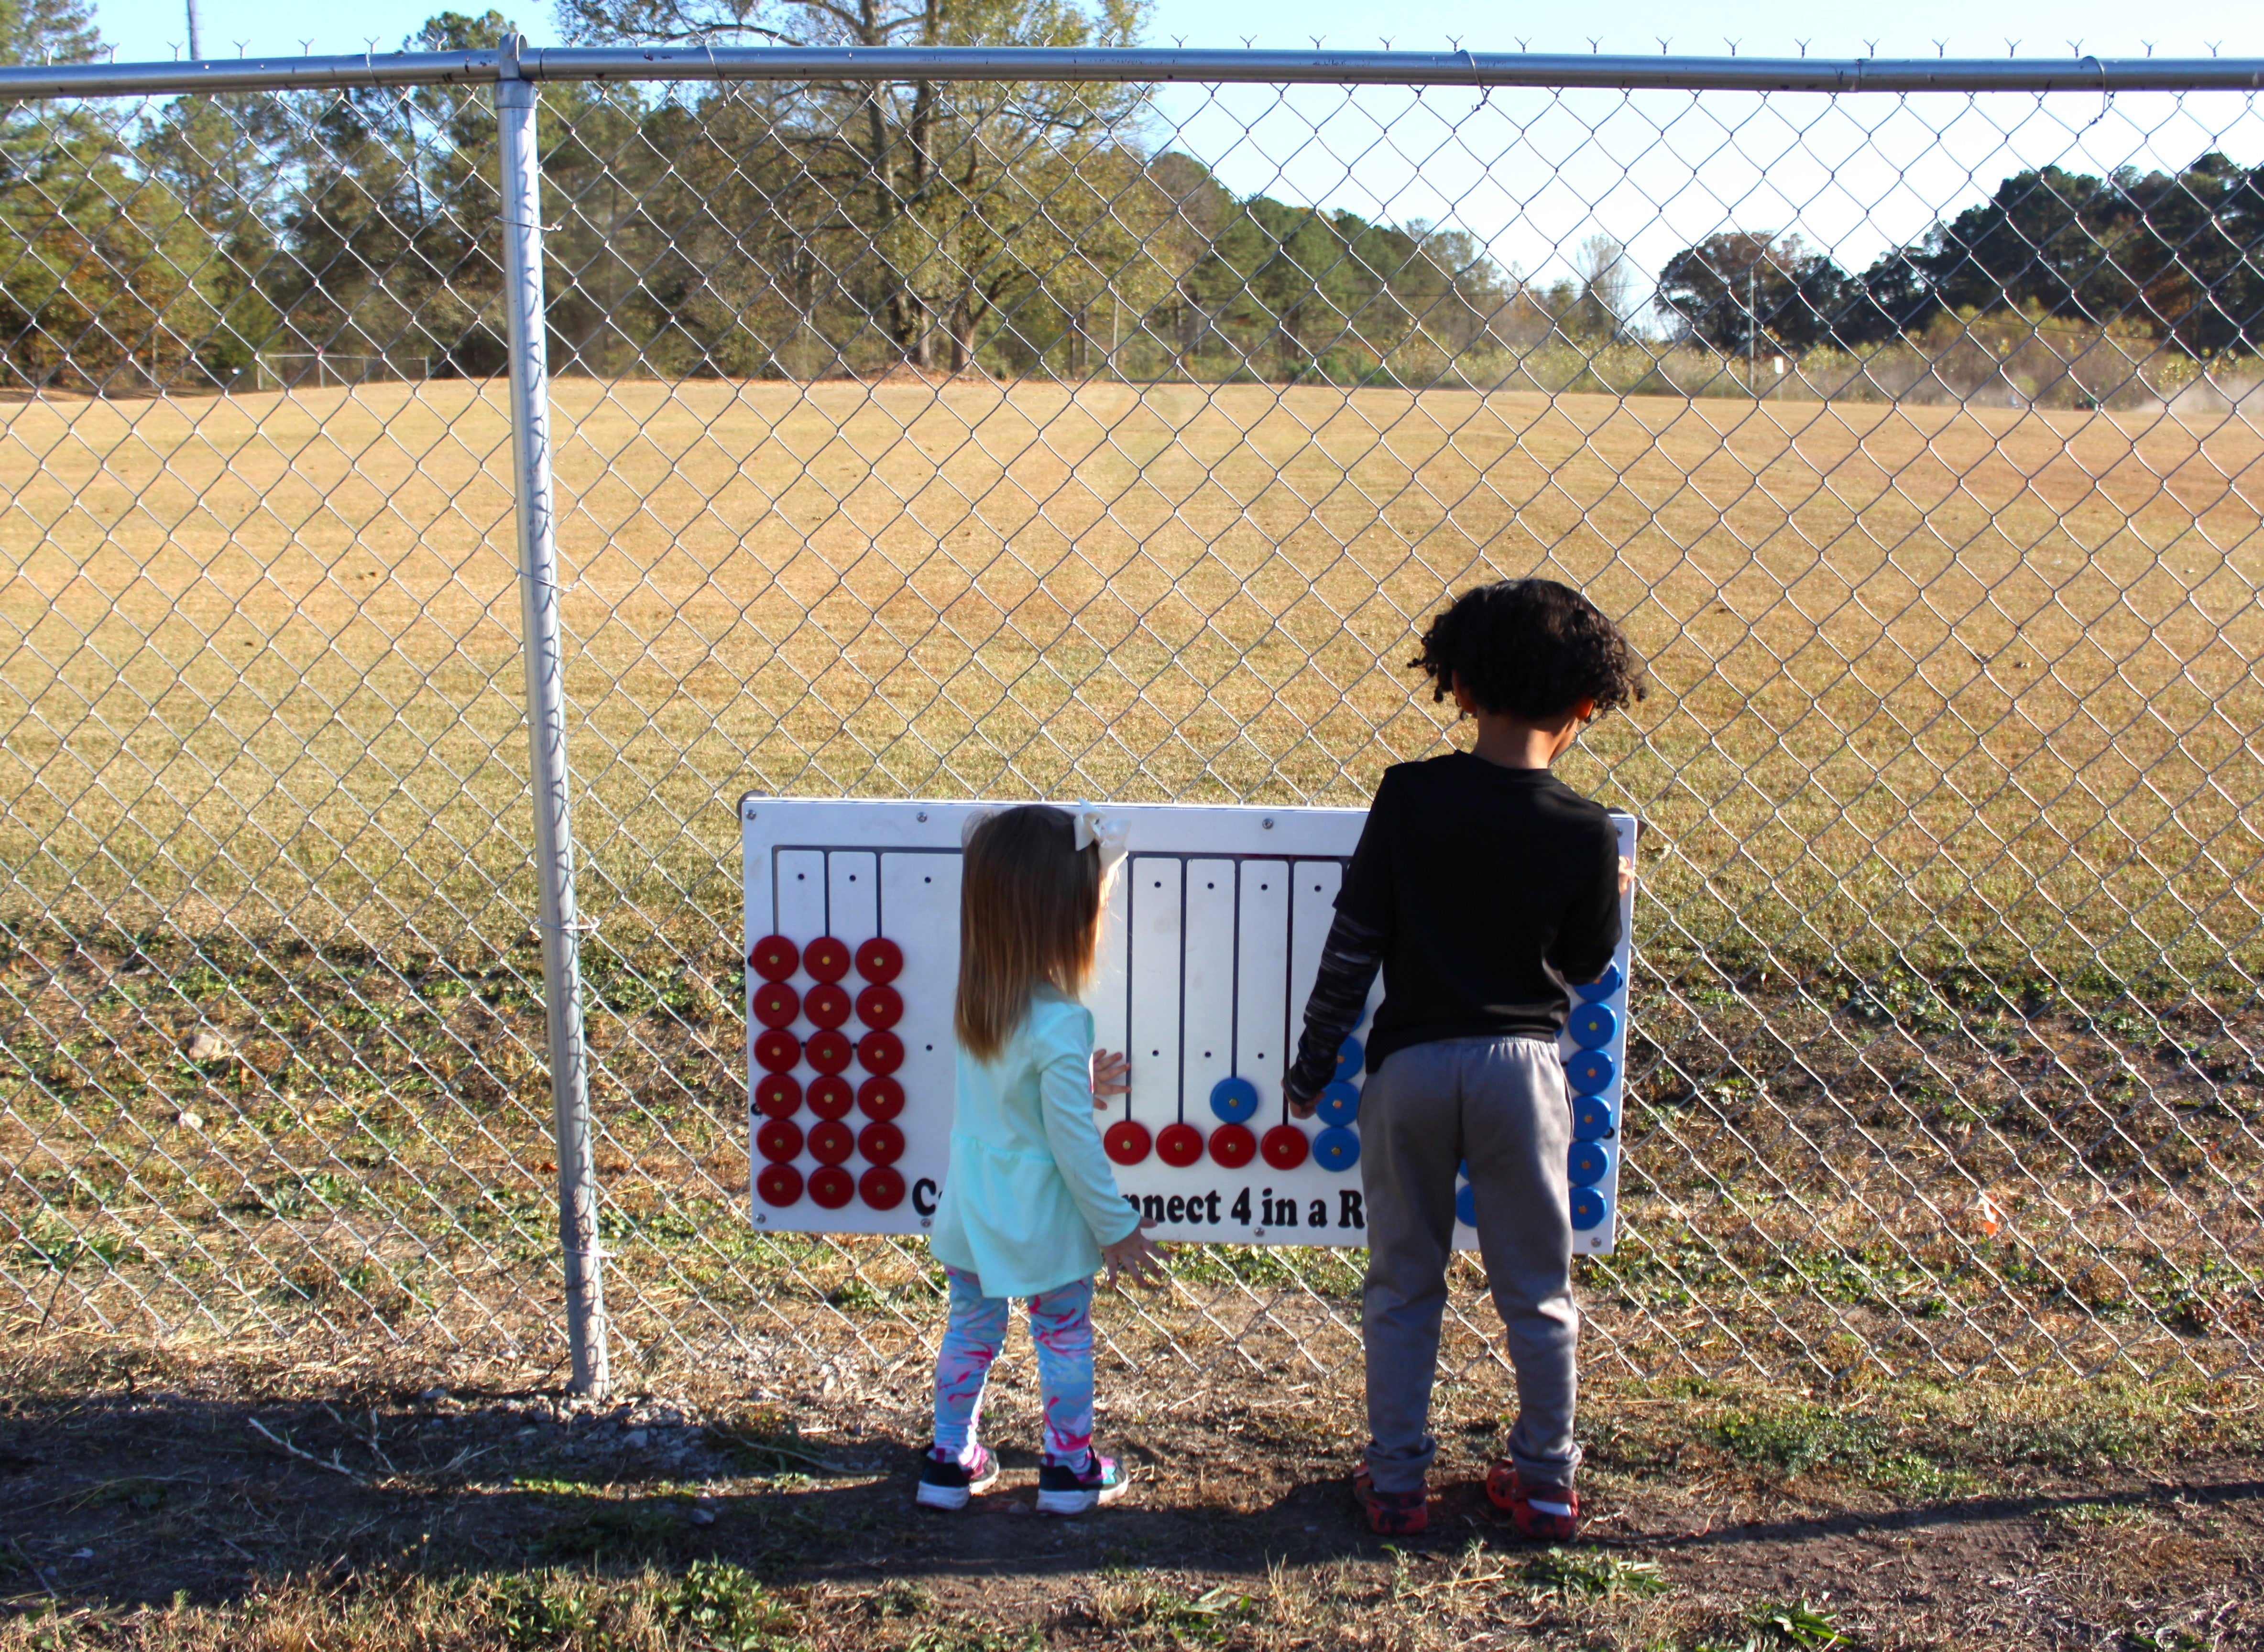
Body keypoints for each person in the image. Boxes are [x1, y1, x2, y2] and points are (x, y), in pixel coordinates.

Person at [1284, 579, 1643, 1541]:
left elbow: (1353, 943)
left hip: (1408, 1071)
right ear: (1584, 706)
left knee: (1403, 1280)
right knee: (1537, 1283)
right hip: (1519, 1073)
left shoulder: (1408, 795)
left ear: (1460, 689)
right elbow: (1579, 966)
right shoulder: (1583, 830)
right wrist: (1607, 889)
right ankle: (1545, 1482)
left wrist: (1313, 1062)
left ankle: (1396, 1479)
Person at [919, 804, 1167, 1516]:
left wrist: (1075, 1077)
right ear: (1065, 919)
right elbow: (1071, 1144)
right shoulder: (1062, 1023)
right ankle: (1068, 1467)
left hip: (972, 1213)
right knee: (1062, 1334)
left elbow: (1009, 1102)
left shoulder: (977, 1004)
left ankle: (948, 1462)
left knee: (970, 1329)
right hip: (1043, 1223)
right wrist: (1115, 1227)